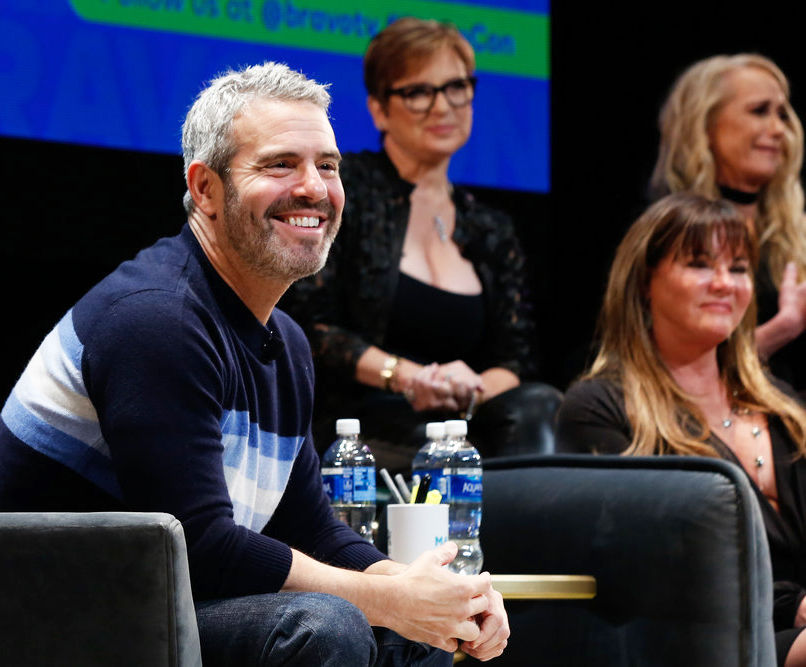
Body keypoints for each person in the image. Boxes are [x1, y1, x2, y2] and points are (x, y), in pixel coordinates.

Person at [0, 62, 508, 665]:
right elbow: (196, 546)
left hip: (146, 608)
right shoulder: (155, 318)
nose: (314, 188)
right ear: (205, 189)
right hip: (39, 624)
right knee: (325, 626)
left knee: (411, 630)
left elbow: (312, 528)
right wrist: (390, 601)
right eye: (280, 164)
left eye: (327, 166)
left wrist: (428, 592)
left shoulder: (287, 342)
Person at [280, 17, 561, 473]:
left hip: (463, 420)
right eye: (417, 92)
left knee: (540, 405)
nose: (443, 106)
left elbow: (516, 359)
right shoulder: (344, 191)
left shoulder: (491, 227)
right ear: (378, 109)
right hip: (364, 424)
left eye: (456, 87)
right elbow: (312, 328)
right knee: (447, 460)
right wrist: (409, 379)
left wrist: (461, 388)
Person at [555, 192, 806, 666]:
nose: (723, 283)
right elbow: (653, 563)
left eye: (737, 268)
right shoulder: (602, 409)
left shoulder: (787, 407)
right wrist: (795, 607)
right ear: (645, 281)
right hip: (693, 636)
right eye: (698, 264)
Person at [650, 53, 806, 393]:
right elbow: (658, 367)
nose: (779, 129)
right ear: (704, 123)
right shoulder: (662, 231)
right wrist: (783, 328)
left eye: (782, 114)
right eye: (759, 111)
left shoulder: (795, 233)